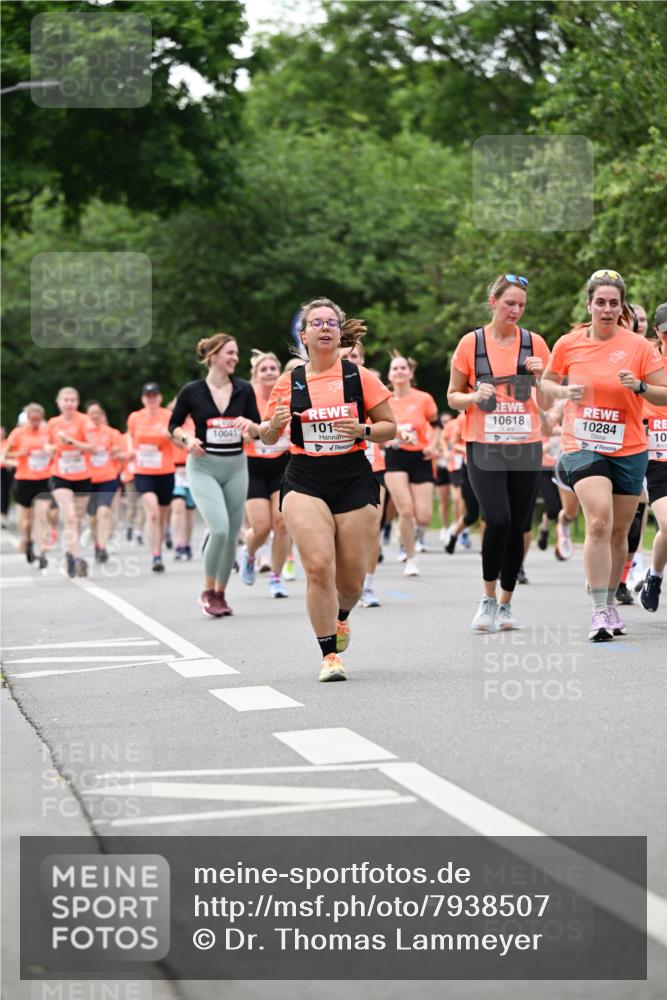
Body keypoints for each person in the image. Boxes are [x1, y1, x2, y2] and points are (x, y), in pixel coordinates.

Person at [260, 298, 396, 681]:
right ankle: (329, 655)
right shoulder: (289, 382)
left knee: (350, 583)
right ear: (303, 335)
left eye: (331, 323)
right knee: (319, 566)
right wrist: (274, 425)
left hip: (352, 476)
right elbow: (267, 434)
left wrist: (363, 430)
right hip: (305, 477)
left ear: (339, 334)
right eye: (316, 323)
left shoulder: (359, 377)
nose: (324, 328)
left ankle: (341, 616)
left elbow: (389, 428)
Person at [542, 270, 667, 640]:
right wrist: (563, 393)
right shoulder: (569, 343)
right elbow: (546, 383)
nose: (607, 309)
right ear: (589, 304)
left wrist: (641, 387)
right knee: (598, 520)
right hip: (581, 444)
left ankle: (610, 601)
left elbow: (664, 393)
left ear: (622, 307)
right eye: (600, 302)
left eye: (614, 303)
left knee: (618, 532)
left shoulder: (639, 346)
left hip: (630, 447)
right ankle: (599, 610)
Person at [448, 274, 551, 631]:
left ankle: (506, 604)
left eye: (521, 305)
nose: (515, 310)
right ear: (493, 301)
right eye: (509, 303)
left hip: (525, 446)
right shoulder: (471, 343)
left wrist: (542, 377)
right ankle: (487, 598)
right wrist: (473, 397)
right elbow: (452, 396)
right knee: (498, 518)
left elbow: (549, 400)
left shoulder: (535, 343)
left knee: (519, 524)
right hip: (484, 444)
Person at [170, 334, 262, 617]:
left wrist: (250, 427)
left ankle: (220, 594)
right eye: (230, 353)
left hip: (236, 466)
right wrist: (187, 439)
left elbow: (257, 431)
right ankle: (207, 592)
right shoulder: (192, 391)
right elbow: (173, 426)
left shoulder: (244, 389)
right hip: (203, 466)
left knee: (232, 534)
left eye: (236, 353)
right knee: (219, 529)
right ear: (213, 356)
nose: (235, 358)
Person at [240, 350, 292, 598]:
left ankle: (276, 578)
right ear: (256, 374)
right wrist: (252, 431)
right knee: (261, 528)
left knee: (282, 522)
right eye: (264, 369)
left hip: (283, 464)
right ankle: (249, 553)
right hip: (254, 467)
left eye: (273, 368)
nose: (269, 372)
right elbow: (242, 430)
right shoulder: (247, 397)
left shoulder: (288, 395)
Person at [384, 353, 441, 577]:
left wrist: (433, 446)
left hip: (421, 457)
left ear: (410, 373)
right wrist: (389, 439)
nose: (399, 372)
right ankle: (410, 557)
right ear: (390, 375)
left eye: (403, 368)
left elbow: (437, 425)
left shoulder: (424, 398)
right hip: (395, 456)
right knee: (405, 510)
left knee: (424, 516)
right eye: (395, 368)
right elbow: (376, 428)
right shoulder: (384, 400)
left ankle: (404, 534)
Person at [46, 386, 96, 577]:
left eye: (72, 400)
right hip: (60, 474)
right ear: (58, 403)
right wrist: (50, 448)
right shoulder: (53, 423)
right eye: (65, 400)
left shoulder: (84, 421)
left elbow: (93, 447)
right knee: (70, 516)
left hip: (82, 475)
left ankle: (70, 551)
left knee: (78, 519)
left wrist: (72, 442)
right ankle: (77, 558)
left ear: (77, 402)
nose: (69, 403)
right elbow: (47, 445)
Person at [127, 383, 176, 573]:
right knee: (153, 513)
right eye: (148, 396)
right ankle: (155, 555)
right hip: (143, 471)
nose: (152, 399)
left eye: (154, 395)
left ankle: (159, 551)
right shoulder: (135, 417)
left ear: (160, 398)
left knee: (162, 516)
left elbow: (178, 437)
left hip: (165, 470)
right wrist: (131, 449)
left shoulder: (168, 416)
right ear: (143, 399)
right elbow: (130, 436)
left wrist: (169, 435)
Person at [640, 302, 667, 611]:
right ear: (657, 332)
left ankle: (653, 575)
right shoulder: (646, 358)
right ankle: (655, 576)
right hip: (656, 455)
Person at [2, 404, 51, 567]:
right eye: (32, 420)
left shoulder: (47, 432)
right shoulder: (18, 433)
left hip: (44, 480)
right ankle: (29, 541)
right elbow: (5, 456)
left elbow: (57, 450)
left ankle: (41, 551)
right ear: (27, 418)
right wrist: (20, 454)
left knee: (43, 515)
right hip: (24, 480)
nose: (36, 423)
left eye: (38, 420)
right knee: (27, 521)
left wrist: (50, 450)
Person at [86, 401, 123, 563]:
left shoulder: (111, 433)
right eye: (91, 413)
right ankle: (96, 544)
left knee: (104, 511)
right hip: (87, 479)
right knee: (92, 518)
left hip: (107, 478)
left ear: (102, 415)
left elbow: (119, 449)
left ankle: (103, 546)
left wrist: (115, 451)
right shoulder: (83, 433)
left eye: (98, 413)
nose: (95, 416)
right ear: (87, 416)